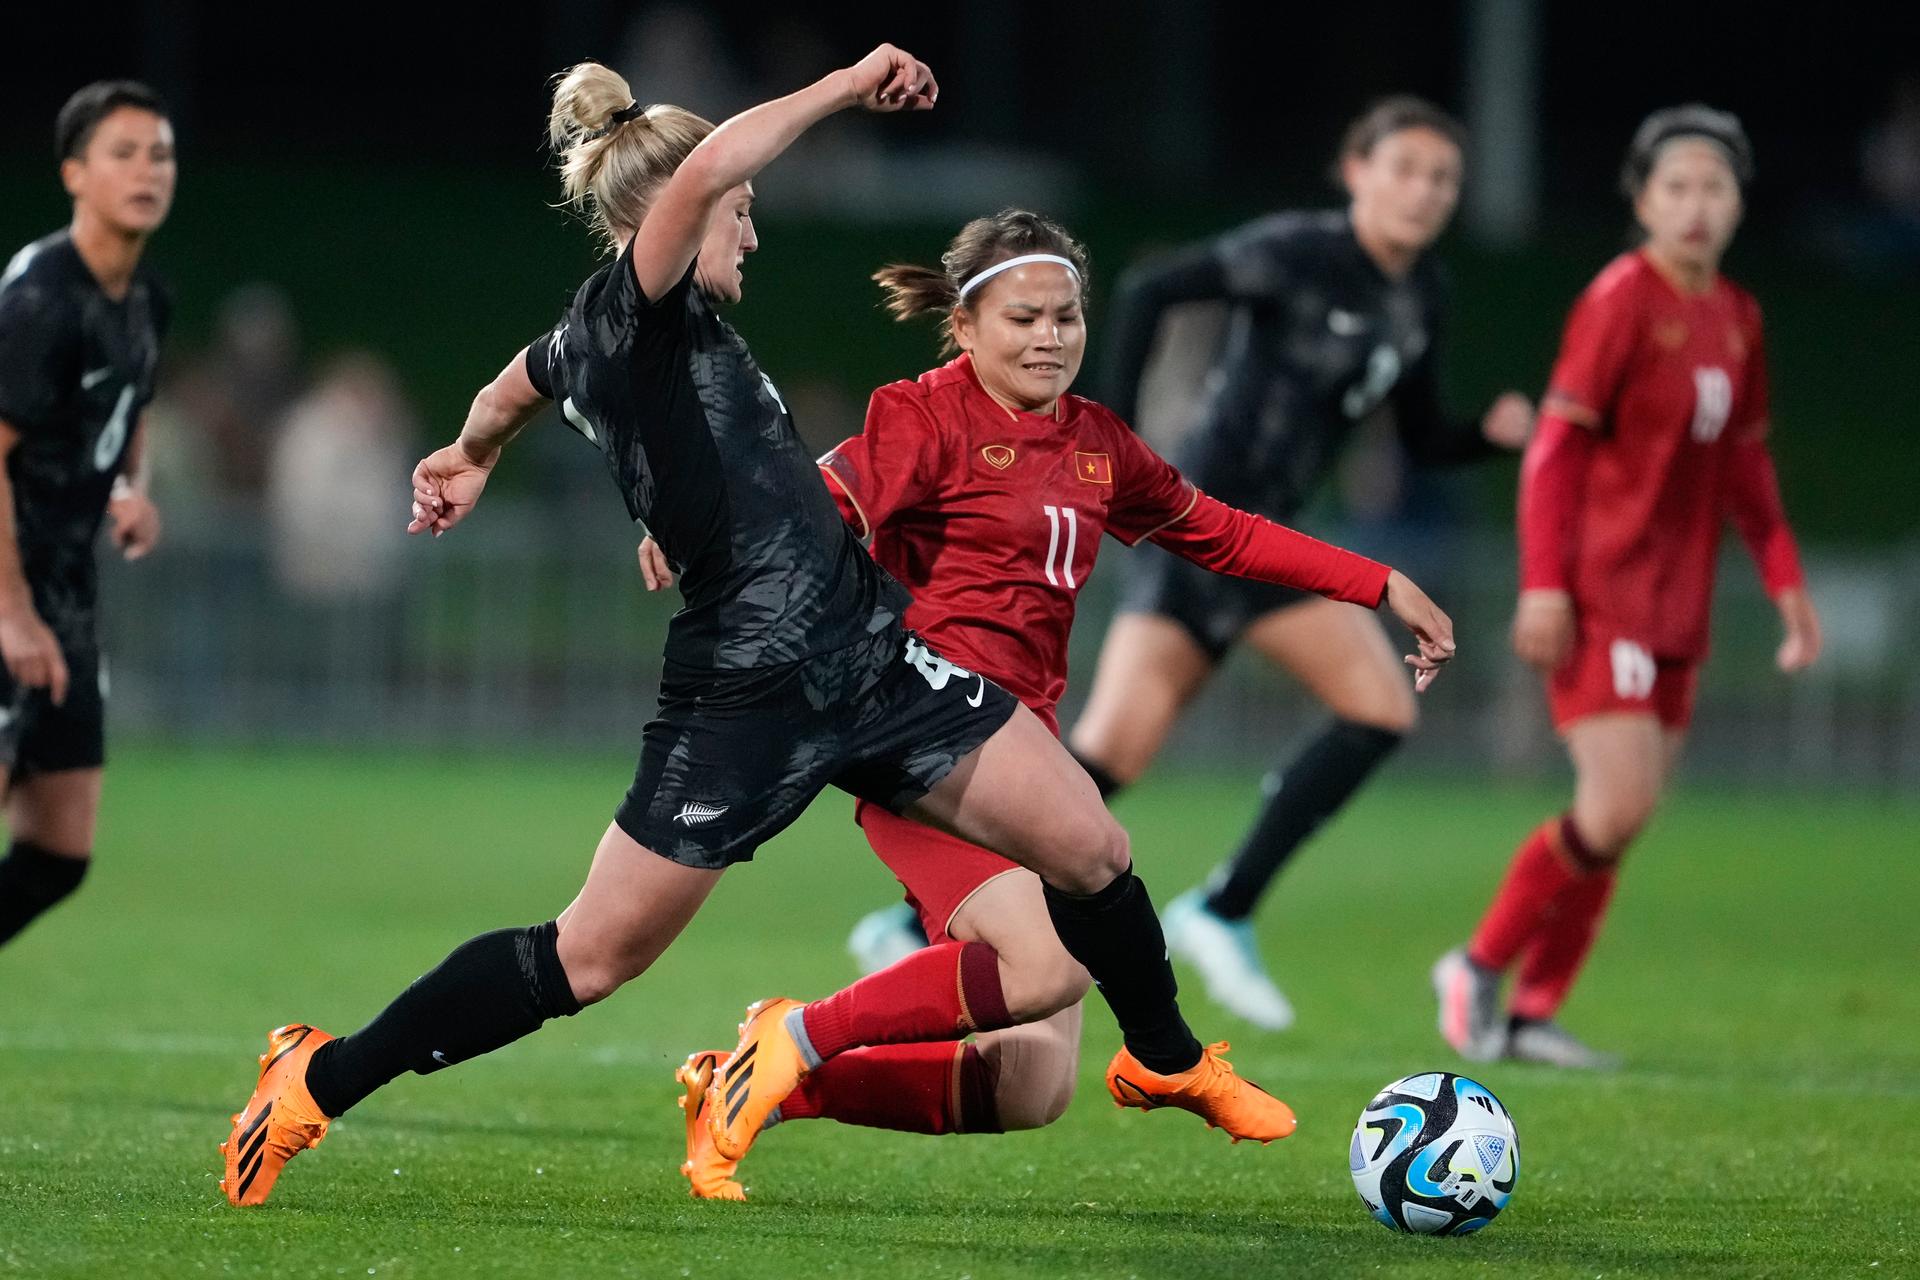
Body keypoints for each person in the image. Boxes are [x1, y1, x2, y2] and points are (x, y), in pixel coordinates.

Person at [218, 47, 1303, 1209]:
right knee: (591, 955)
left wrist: (472, 453)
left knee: (1090, 848)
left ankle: (1169, 1057)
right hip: (744, 691)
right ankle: (316, 1076)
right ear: (681, 213)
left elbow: (515, 383)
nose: (752, 231)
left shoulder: (608, 331)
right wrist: (846, 86)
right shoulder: (637, 304)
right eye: (741, 212)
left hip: (871, 655)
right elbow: (711, 168)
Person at [647, 209, 1457, 1198]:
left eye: (1066, 316)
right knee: (1047, 960)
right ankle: (800, 1035)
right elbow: (828, 499)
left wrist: (1377, 582)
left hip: (1020, 753)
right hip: (919, 746)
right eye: (1024, 317)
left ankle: (759, 1084)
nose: (1050, 336)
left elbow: (1226, 533)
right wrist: (713, 527)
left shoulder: (1095, 442)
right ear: (967, 326)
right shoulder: (926, 413)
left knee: (1030, 1082)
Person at [849, 96, 1528, 1029]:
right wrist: (1097, 429)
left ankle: (1188, 922)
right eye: (1406, 168)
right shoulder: (1297, 252)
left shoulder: (1420, 295)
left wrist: (1484, 443)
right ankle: (1206, 927)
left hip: (1230, 534)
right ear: (1355, 170)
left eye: (1444, 177)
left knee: (1103, 776)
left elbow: (1408, 438)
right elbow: (1156, 289)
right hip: (1168, 546)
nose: (1426, 191)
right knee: (1103, 798)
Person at [1433, 105, 1821, 1069]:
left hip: (1680, 604)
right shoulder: (1619, 299)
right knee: (1613, 807)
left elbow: (1747, 468)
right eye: (1676, 187)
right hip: (1607, 592)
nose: (1695, 206)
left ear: (1738, 203)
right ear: (1642, 200)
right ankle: (1476, 966)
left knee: (1626, 817)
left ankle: (1532, 1012)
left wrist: (1786, 585)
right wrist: (1543, 585)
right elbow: (1556, 450)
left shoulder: (1738, 317)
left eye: (1715, 187)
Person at [0, 81, 174, 954]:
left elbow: (125, 408)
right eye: (123, 153)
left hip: (63, 590)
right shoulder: (39, 298)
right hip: (9, 586)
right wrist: (11, 612)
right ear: (74, 174)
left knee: (58, 852)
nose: (147, 170)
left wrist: (125, 489)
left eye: (160, 154)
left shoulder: (145, 301)